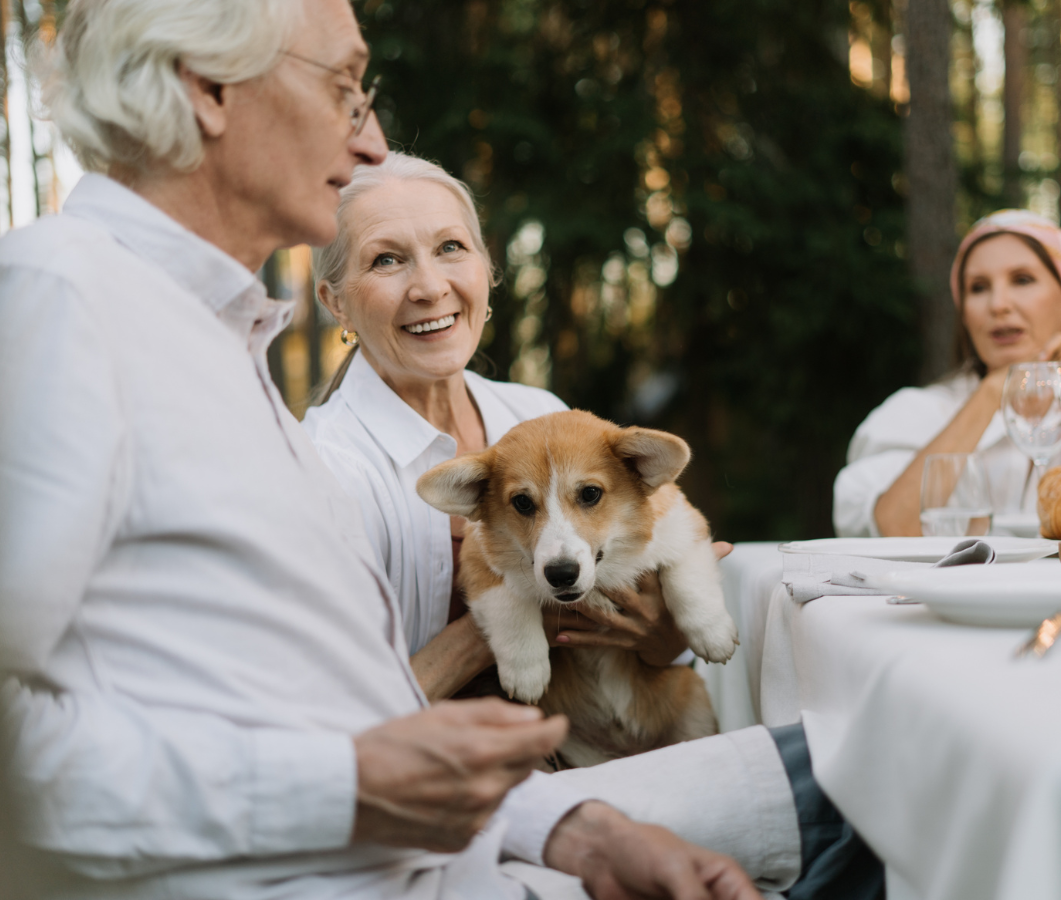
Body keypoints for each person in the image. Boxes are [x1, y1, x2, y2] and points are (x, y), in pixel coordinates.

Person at [0, 1, 881, 898]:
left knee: (893, 756)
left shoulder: (220, 353)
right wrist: (344, 788)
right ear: (208, 89)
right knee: (884, 780)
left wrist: (579, 829)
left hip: (468, 849)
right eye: (346, 87)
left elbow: (374, 727)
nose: (373, 142)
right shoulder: (61, 299)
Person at [301, 152, 702, 701]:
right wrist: (493, 626)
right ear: (335, 303)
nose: (429, 286)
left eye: (450, 248)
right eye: (387, 260)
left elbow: (665, 649)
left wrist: (662, 635)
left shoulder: (539, 414)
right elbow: (326, 716)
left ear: (486, 268)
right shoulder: (319, 470)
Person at [833, 210, 1061, 538]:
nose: (998, 305)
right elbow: (893, 527)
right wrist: (991, 393)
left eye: (1022, 280)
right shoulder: (918, 412)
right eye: (978, 288)